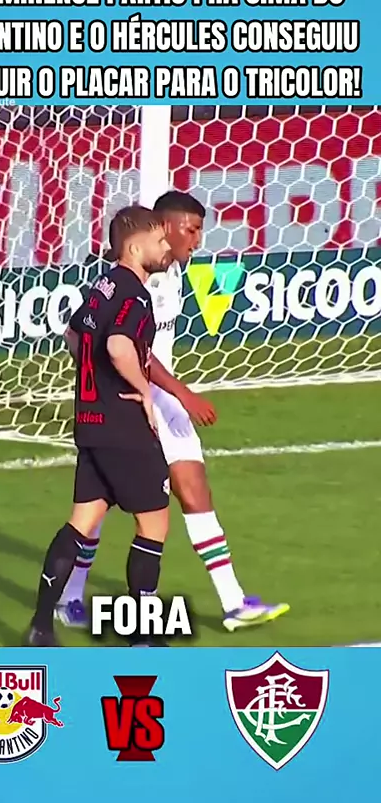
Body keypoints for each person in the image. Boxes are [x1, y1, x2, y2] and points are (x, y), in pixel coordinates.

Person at [56, 191, 289, 633]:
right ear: (163, 228)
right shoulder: (141, 278)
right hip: (139, 397)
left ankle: (233, 602)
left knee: (191, 488)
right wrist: (181, 393)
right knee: (100, 506)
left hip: (157, 398)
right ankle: (74, 599)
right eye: (191, 230)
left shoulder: (171, 272)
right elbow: (128, 347)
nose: (197, 240)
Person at [27, 205, 172, 647]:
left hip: (90, 422)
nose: (166, 247)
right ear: (135, 247)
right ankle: (143, 635)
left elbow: (74, 335)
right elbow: (117, 345)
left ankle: (40, 627)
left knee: (81, 522)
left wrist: (98, 382)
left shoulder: (101, 287)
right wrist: (143, 391)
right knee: (154, 524)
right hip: (124, 427)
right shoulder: (135, 295)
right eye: (159, 240)